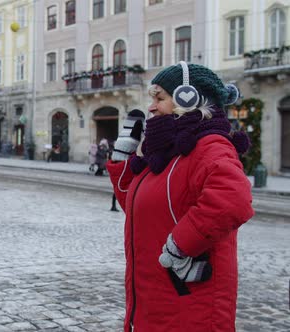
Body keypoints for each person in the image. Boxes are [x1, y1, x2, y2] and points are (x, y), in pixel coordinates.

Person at [106, 62, 254, 332]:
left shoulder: (210, 146)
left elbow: (233, 199)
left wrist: (180, 246)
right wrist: (123, 159)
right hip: (154, 297)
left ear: (189, 98)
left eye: (159, 98)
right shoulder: (164, 151)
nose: (151, 107)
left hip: (189, 305)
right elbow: (139, 208)